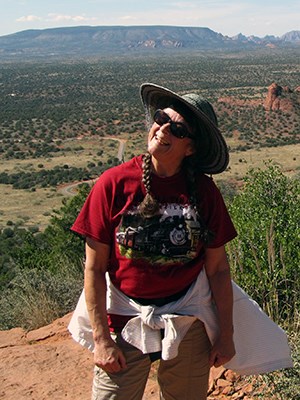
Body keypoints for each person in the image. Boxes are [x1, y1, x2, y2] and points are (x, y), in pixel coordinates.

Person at [70, 82, 238, 399]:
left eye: (177, 128)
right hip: (123, 316)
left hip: (188, 316)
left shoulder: (204, 193)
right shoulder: (113, 183)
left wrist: (225, 334)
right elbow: (93, 268)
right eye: (161, 118)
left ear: (191, 148)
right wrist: (102, 338)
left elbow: (217, 270)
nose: (163, 129)